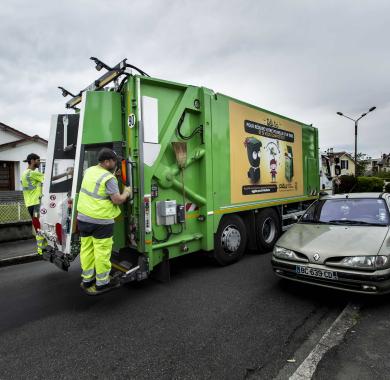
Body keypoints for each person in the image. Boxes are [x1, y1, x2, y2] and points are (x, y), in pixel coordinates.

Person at [76, 148, 131, 294]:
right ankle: (102, 283)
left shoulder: (90, 170)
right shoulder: (109, 179)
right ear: (107, 162)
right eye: (114, 161)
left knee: (86, 249)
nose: (116, 163)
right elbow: (117, 200)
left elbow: (97, 186)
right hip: (100, 221)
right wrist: (126, 192)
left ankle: (87, 279)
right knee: (102, 252)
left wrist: (113, 175)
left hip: (83, 218)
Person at [21, 153, 46, 255]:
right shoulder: (32, 173)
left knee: (38, 225)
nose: (39, 163)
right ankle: (41, 249)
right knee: (39, 226)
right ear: (32, 161)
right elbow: (48, 180)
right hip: (36, 204)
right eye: (38, 160)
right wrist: (66, 174)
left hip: (29, 204)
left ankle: (42, 247)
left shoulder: (24, 173)